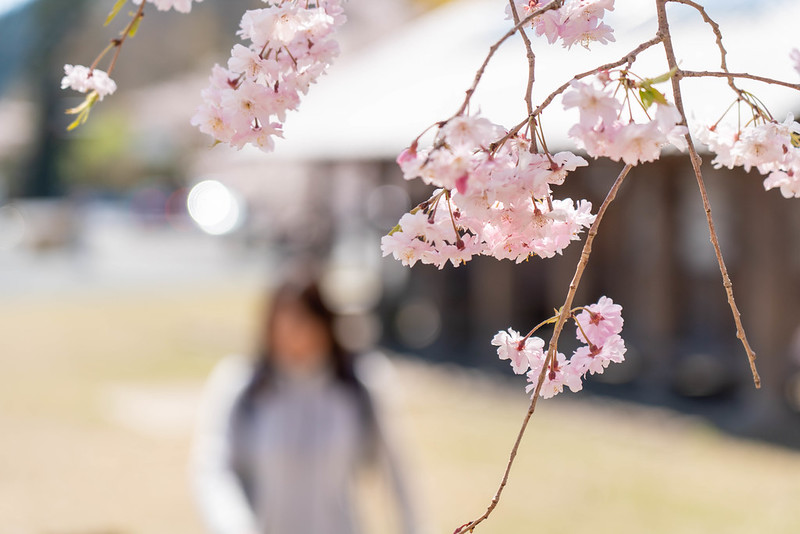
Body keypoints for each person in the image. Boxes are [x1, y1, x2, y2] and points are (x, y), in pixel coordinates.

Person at [191, 277, 418, 534]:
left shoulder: (359, 383)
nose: (295, 334)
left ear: (325, 324)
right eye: (285, 323)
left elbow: (397, 474)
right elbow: (214, 469)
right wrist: (235, 526)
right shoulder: (244, 386)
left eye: (304, 321)